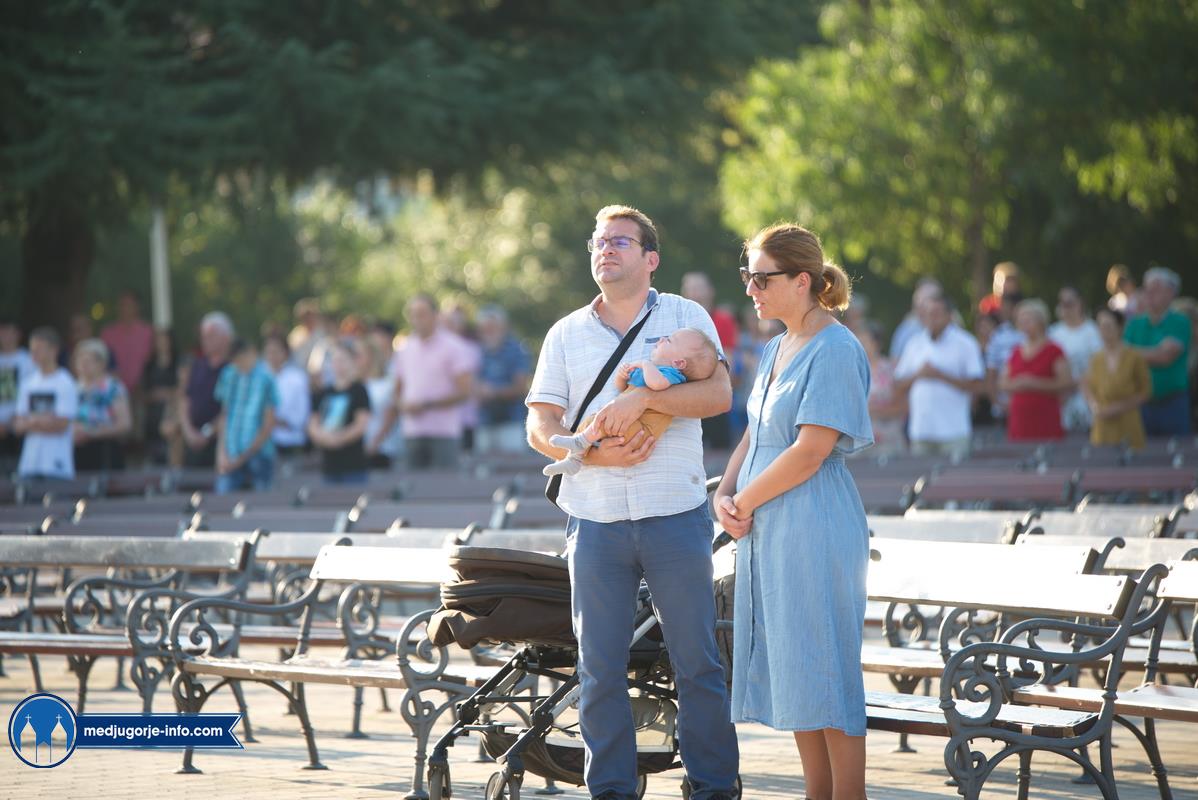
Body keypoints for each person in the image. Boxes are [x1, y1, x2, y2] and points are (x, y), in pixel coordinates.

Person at [525, 205, 739, 800]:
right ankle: (612, 791)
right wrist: (594, 456)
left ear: (651, 259)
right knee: (598, 670)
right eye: (598, 241)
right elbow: (540, 426)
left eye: (620, 241)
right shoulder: (565, 333)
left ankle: (714, 788)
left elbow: (720, 394)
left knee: (697, 663)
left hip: (675, 515)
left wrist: (642, 403)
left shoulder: (686, 315)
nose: (605, 249)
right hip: (595, 522)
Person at [714, 222, 872, 800]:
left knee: (827, 672)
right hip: (768, 526)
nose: (750, 289)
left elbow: (810, 451)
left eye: (762, 278)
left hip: (814, 524)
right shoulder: (776, 346)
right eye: (747, 276)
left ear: (802, 281)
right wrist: (723, 493)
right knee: (800, 673)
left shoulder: (836, 348)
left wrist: (743, 502)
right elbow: (755, 434)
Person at [543, 327, 719, 476]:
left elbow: (657, 385)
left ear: (679, 363)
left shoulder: (672, 375)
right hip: (630, 424)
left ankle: (579, 444)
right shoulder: (655, 371)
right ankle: (575, 458)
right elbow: (624, 389)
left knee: (602, 421)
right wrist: (622, 377)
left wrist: (645, 364)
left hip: (640, 431)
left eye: (669, 341)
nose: (662, 339)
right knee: (594, 420)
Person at [372, 294, 474, 470]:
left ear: (435, 315)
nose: (417, 319)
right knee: (413, 483)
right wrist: (402, 404)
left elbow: (465, 391)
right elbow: (397, 390)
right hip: (412, 432)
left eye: (422, 314)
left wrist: (427, 405)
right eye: (413, 314)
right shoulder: (405, 348)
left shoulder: (454, 347)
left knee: (444, 483)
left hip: (443, 432)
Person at [894, 293, 986, 460]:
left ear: (949, 316)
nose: (931, 318)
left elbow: (978, 386)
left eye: (936, 313)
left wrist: (940, 375)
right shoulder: (914, 343)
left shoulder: (966, 343)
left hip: (954, 432)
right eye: (928, 314)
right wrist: (919, 375)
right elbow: (898, 384)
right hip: (921, 432)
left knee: (955, 477)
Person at [1125, 267, 1191, 437]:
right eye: (1147, 289)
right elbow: (1123, 357)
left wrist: (1134, 352)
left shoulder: (1181, 322)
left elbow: (1165, 357)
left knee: (1177, 450)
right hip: (1141, 404)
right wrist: (1156, 350)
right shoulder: (1134, 324)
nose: (1149, 294)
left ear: (1171, 293)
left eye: (1155, 289)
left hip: (1173, 403)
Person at [213, 339, 278, 494]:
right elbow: (224, 416)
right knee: (223, 497)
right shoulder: (228, 375)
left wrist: (241, 458)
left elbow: (268, 424)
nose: (240, 365)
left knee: (262, 501)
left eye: (242, 359)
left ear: (251, 353)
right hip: (230, 452)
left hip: (259, 455)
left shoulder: (266, 377)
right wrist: (221, 454)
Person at [1000, 299, 1071, 441]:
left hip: (1045, 416)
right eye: (1021, 321)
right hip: (1020, 419)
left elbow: (1065, 383)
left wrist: (1034, 383)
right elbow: (1003, 383)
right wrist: (1019, 383)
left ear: (1041, 322)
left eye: (1028, 320)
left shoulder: (1054, 350)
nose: (1023, 325)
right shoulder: (1016, 351)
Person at [681, 271, 737, 449]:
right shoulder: (679, 320)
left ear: (710, 291)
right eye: (690, 288)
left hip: (713, 393)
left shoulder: (723, 320)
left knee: (719, 452)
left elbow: (729, 358)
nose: (694, 293)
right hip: (685, 397)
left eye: (699, 287)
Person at [13, 327, 78, 480]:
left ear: (53, 350)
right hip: (29, 466)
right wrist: (45, 420)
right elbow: (18, 425)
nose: (34, 354)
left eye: (39, 349)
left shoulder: (65, 382)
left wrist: (31, 421)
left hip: (56, 466)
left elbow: (62, 425)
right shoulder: (27, 383)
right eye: (32, 350)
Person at [1084, 309, 1150, 449]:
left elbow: (1145, 392)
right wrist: (1095, 407)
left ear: (1120, 327)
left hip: (1128, 421)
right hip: (1103, 425)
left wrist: (1118, 408)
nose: (1104, 331)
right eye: (1101, 327)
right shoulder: (1095, 359)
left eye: (1108, 326)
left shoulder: (1134, 356)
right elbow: (1088, 387)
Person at [309, 339, 372, 485]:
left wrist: (338, 439)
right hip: (329, 466)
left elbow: (361, 425)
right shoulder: (323, 393)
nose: (339, 365)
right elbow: (313, 424)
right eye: (336, 361)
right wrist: (324, 438)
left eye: (343, 360)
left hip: (353, 465)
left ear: (353, 362)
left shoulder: (359, 390)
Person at [475, 305, 532, 455]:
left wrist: (493, 392)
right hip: (484, 420)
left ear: (503, 327)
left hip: (511, 420)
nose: (488, 332)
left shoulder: (517, 350)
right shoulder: (477, 351)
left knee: (513, 462)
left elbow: (521, 388)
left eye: (492, 327)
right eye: (485, 328)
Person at [180, 312, 234, 468]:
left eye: (210, 336)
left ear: (225, 337)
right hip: (192, 443)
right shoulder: (197, 365)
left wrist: (207, 433)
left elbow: (231, 407)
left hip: (221, 444)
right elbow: (185, 398)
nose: (205, 340)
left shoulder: (233, 369)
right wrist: (188, 431)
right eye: (203, 336)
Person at [71, 338, 132, 471]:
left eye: (88, 361)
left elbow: (124, 424)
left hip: (105, 452)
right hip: (76, 452)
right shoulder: (71, 388)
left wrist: (91, 433)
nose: (83, 365)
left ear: (102, 363)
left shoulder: (113, 388)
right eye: (80, 360)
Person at [1048, 286, 1102, 432]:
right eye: (1062, 303)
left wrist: (1078, 383)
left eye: (1069, 303)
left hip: (1088, 396)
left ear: (1080, 303)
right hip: (1062, 398)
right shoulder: (1053, 333)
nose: (1066, 307)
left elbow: (1099, 364)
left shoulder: (1093, 331)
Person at [858, 322, 906, 456]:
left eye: (865, 341)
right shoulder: (853, 371)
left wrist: (875, 411)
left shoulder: (891, 370)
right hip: (859, 441)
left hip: (887, 438)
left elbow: (902, 407)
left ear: (876, 343)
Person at [100, 290, 155, 405]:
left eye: (129, 305)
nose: (125, 308)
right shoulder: (108, 333)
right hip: (115, 392)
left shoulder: (147, 332)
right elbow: (102, 362)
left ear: (137, 307)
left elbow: (152, 360)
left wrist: (143, 384)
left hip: (141, 392)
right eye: (122, 305)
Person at [262, 334, 310, 461]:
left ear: (285, 353)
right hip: (263, 444)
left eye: (276, 352)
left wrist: (274, 420)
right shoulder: (260, 377)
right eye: (269, 352)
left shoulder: (297, 378)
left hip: (290, 443)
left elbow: (301, 416)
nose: (272, 356)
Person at [356, 335, 401, 469]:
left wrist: (374, 444)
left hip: (381, 450)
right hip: (356, 450)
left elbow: (390, 418)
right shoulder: (355, 385)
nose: (355, 360)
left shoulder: (386, 384)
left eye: (359, 355)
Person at [984, 291, 1026, 424]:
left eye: (1007, 307)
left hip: (1031, 405)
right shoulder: (998, 336)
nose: (1003, 311)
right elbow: (991, 373)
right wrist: (997, 403)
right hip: (1004, 408)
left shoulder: (1033, 334)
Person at [0, 318, 35, 470]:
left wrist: (12, 421)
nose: (5, 336)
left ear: (18, 334)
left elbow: (33, 393)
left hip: (20, 427)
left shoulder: (28, 360)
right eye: (2, 332)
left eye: (9, 332)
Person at [142, 328, 179, 465]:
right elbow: (143, 393)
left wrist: (169, 393)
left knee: (173, 454)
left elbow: (184, 386)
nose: (162, 343)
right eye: (159, 340)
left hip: (173, 414)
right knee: (154, 456)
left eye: (165, 340)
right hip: (153, 416)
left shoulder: (177, 362)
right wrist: (154, 395)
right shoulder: (149, 365)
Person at [888, 277, 941, 361]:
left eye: (929, 299)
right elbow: (894, 362)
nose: (922, 304)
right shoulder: (906, 330)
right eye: (920, 299)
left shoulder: (952, 330)